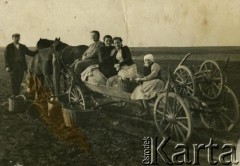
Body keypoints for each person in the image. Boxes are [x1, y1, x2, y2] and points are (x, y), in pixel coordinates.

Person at [4, 33, 38, 98]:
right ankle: (15, 95)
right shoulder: (9, 47)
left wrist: (38, 50)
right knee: (14, 81)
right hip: (12, 68)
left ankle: (17, 94)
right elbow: (6, 57)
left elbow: (30, 53)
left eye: (18, 37)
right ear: (12, 38)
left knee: (19, 81)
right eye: (15, 37)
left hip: (21, 67)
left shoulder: (22, 47)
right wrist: (7, 66)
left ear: (19, 38)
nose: (17, 38)